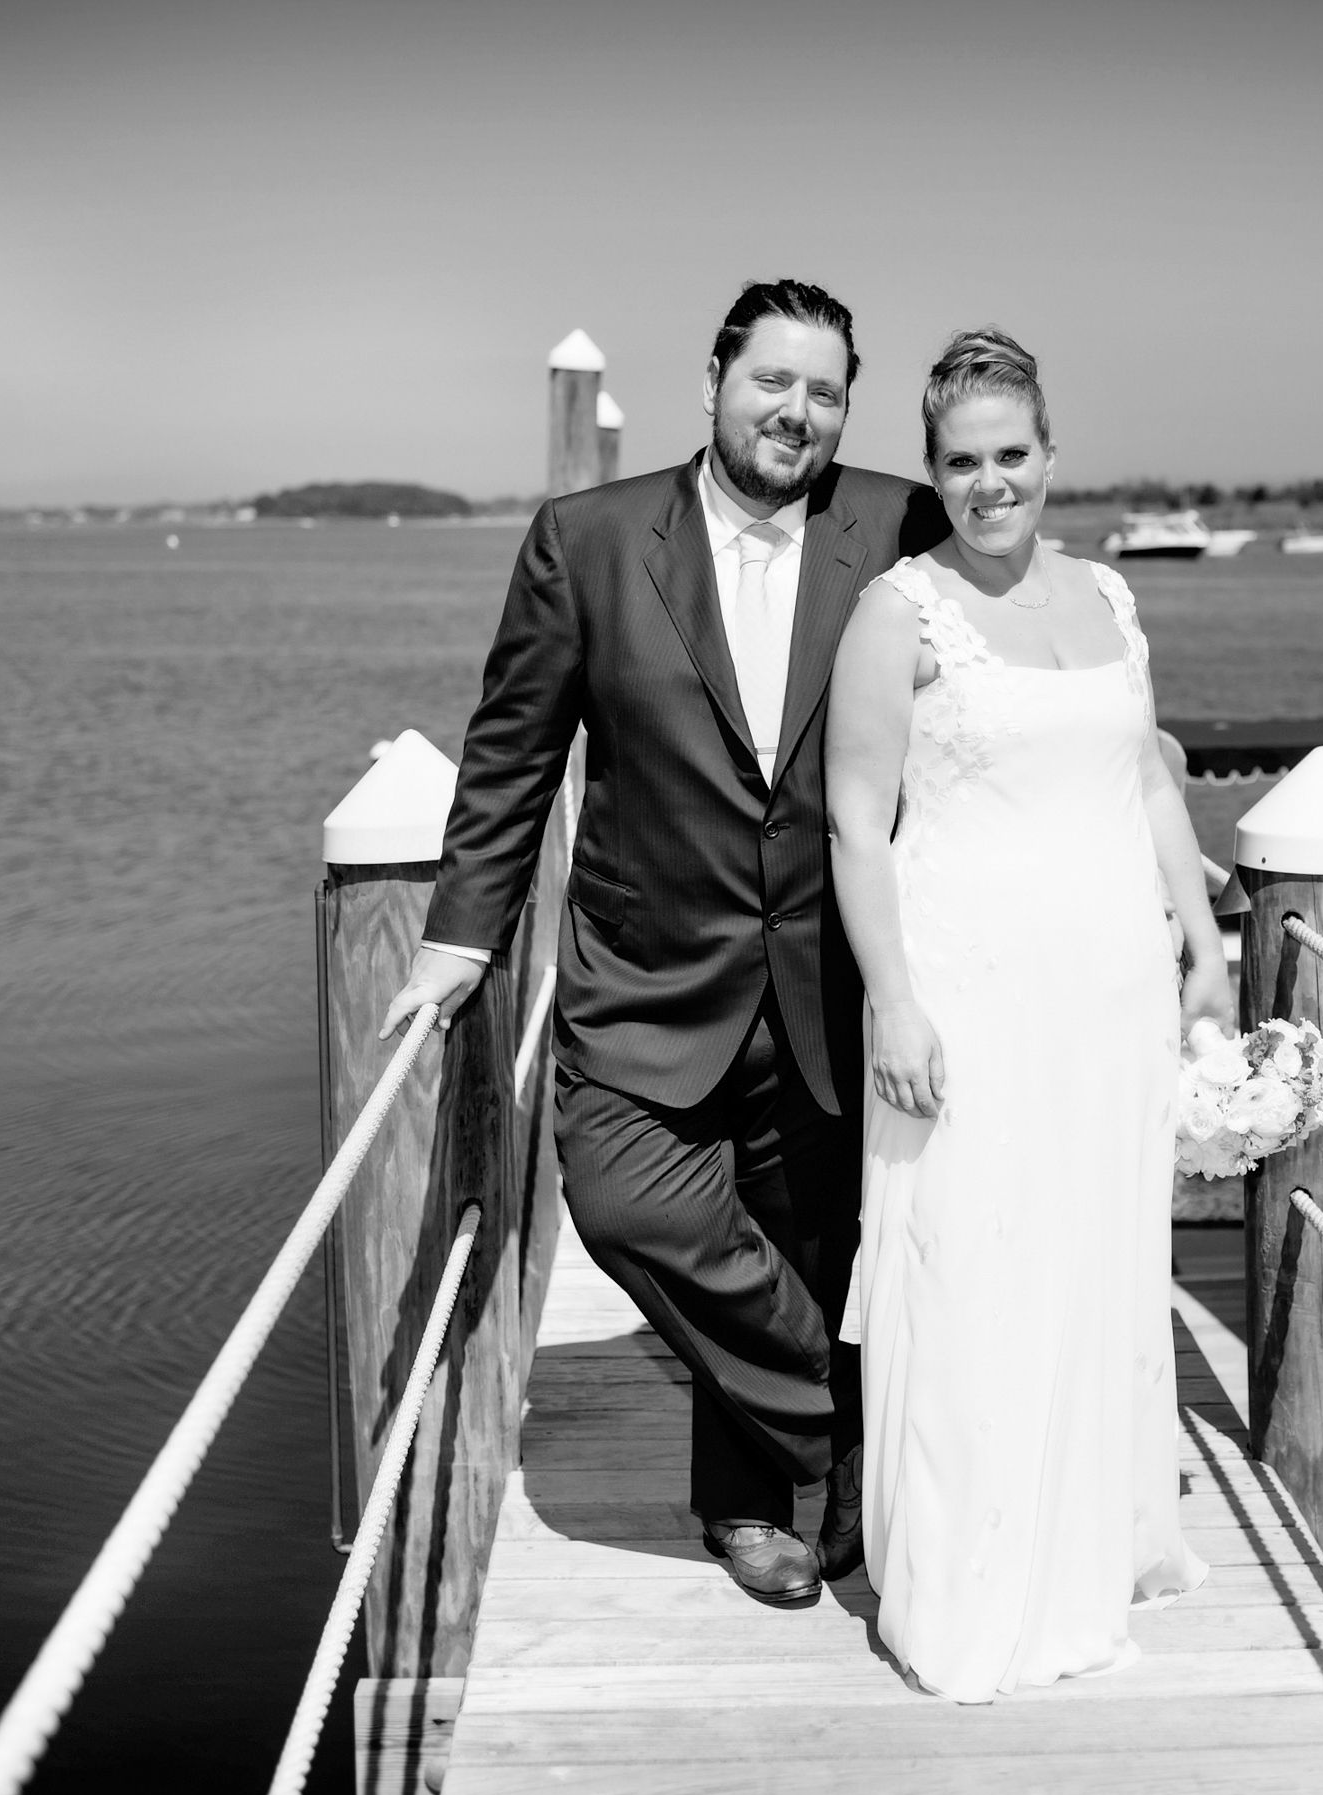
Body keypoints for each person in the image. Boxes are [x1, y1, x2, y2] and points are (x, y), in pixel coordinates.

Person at [377, 280, 947, 1605]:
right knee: (633, 1205)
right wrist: (463, 938)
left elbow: (976, 700)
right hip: (646, 975)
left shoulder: (899, 525)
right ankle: (860, 1423)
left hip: (833, 975)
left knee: (804, 1239)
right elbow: (513, 757)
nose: (795, 411)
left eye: (824, 390)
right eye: (772, 381)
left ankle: (749, 1511)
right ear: (712, 382)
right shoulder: (588, 538)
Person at [825, 328, 1227, 1700]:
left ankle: (1091, 1536)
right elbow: (853, 826)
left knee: (1097, 1262)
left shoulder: (1112, 598)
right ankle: (973, 1586)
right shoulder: (900, 610)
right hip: (969, 997)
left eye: (1012, 456)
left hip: (1110, 996)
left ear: (1051, 456)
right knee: (977, 1273)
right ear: (932, 473)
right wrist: (895, 1003)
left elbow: (1151, 785)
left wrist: (1204, 944)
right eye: (961, 463)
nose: (990, 483)